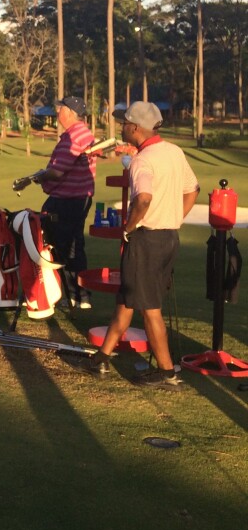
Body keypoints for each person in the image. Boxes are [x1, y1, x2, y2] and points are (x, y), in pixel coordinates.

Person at [74, 102, 199, 390]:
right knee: (127, 297)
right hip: (168, 237)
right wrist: (175, 218)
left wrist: (128, 228)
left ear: (135, 128)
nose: (120, 127)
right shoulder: (174, 152)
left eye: (124, 123)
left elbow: (143, 199)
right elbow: (192, 190)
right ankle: (102, 358)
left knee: (150, 308)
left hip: (147, 240)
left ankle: (167, 373)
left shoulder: (143, 160)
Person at [12, 96, 97, 310]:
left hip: (67, 200)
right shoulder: (84, 133)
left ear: (69, 112)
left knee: (61, 247)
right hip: (77, 198)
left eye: (60, 109)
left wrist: (40, 177)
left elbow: (57, 172)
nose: (57, 112)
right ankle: (80, 295)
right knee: (74, 245)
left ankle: (68, 295)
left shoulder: (72, 137)